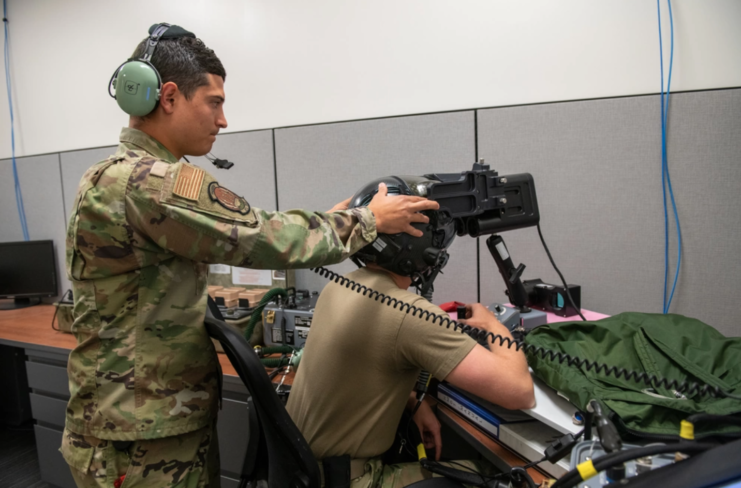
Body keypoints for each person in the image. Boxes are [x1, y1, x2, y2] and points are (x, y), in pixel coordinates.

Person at [61, 24, 438, 488]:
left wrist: (327, 221)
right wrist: (369, 221)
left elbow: (246, 229)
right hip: (141, 436)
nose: (223, 120)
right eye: (214, 102)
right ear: (170, 97)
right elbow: (257, 236)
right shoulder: (151, 183)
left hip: (143, 420)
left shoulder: (116, 176)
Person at [286, 176, 535, 488]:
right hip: (354, 481)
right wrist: (493, 325)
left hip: (305, 475)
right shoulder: (408, 313)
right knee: (506, 477)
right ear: (422, 248)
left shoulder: (338, 287)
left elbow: (362, 364)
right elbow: (519, 392)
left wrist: (411, 399)